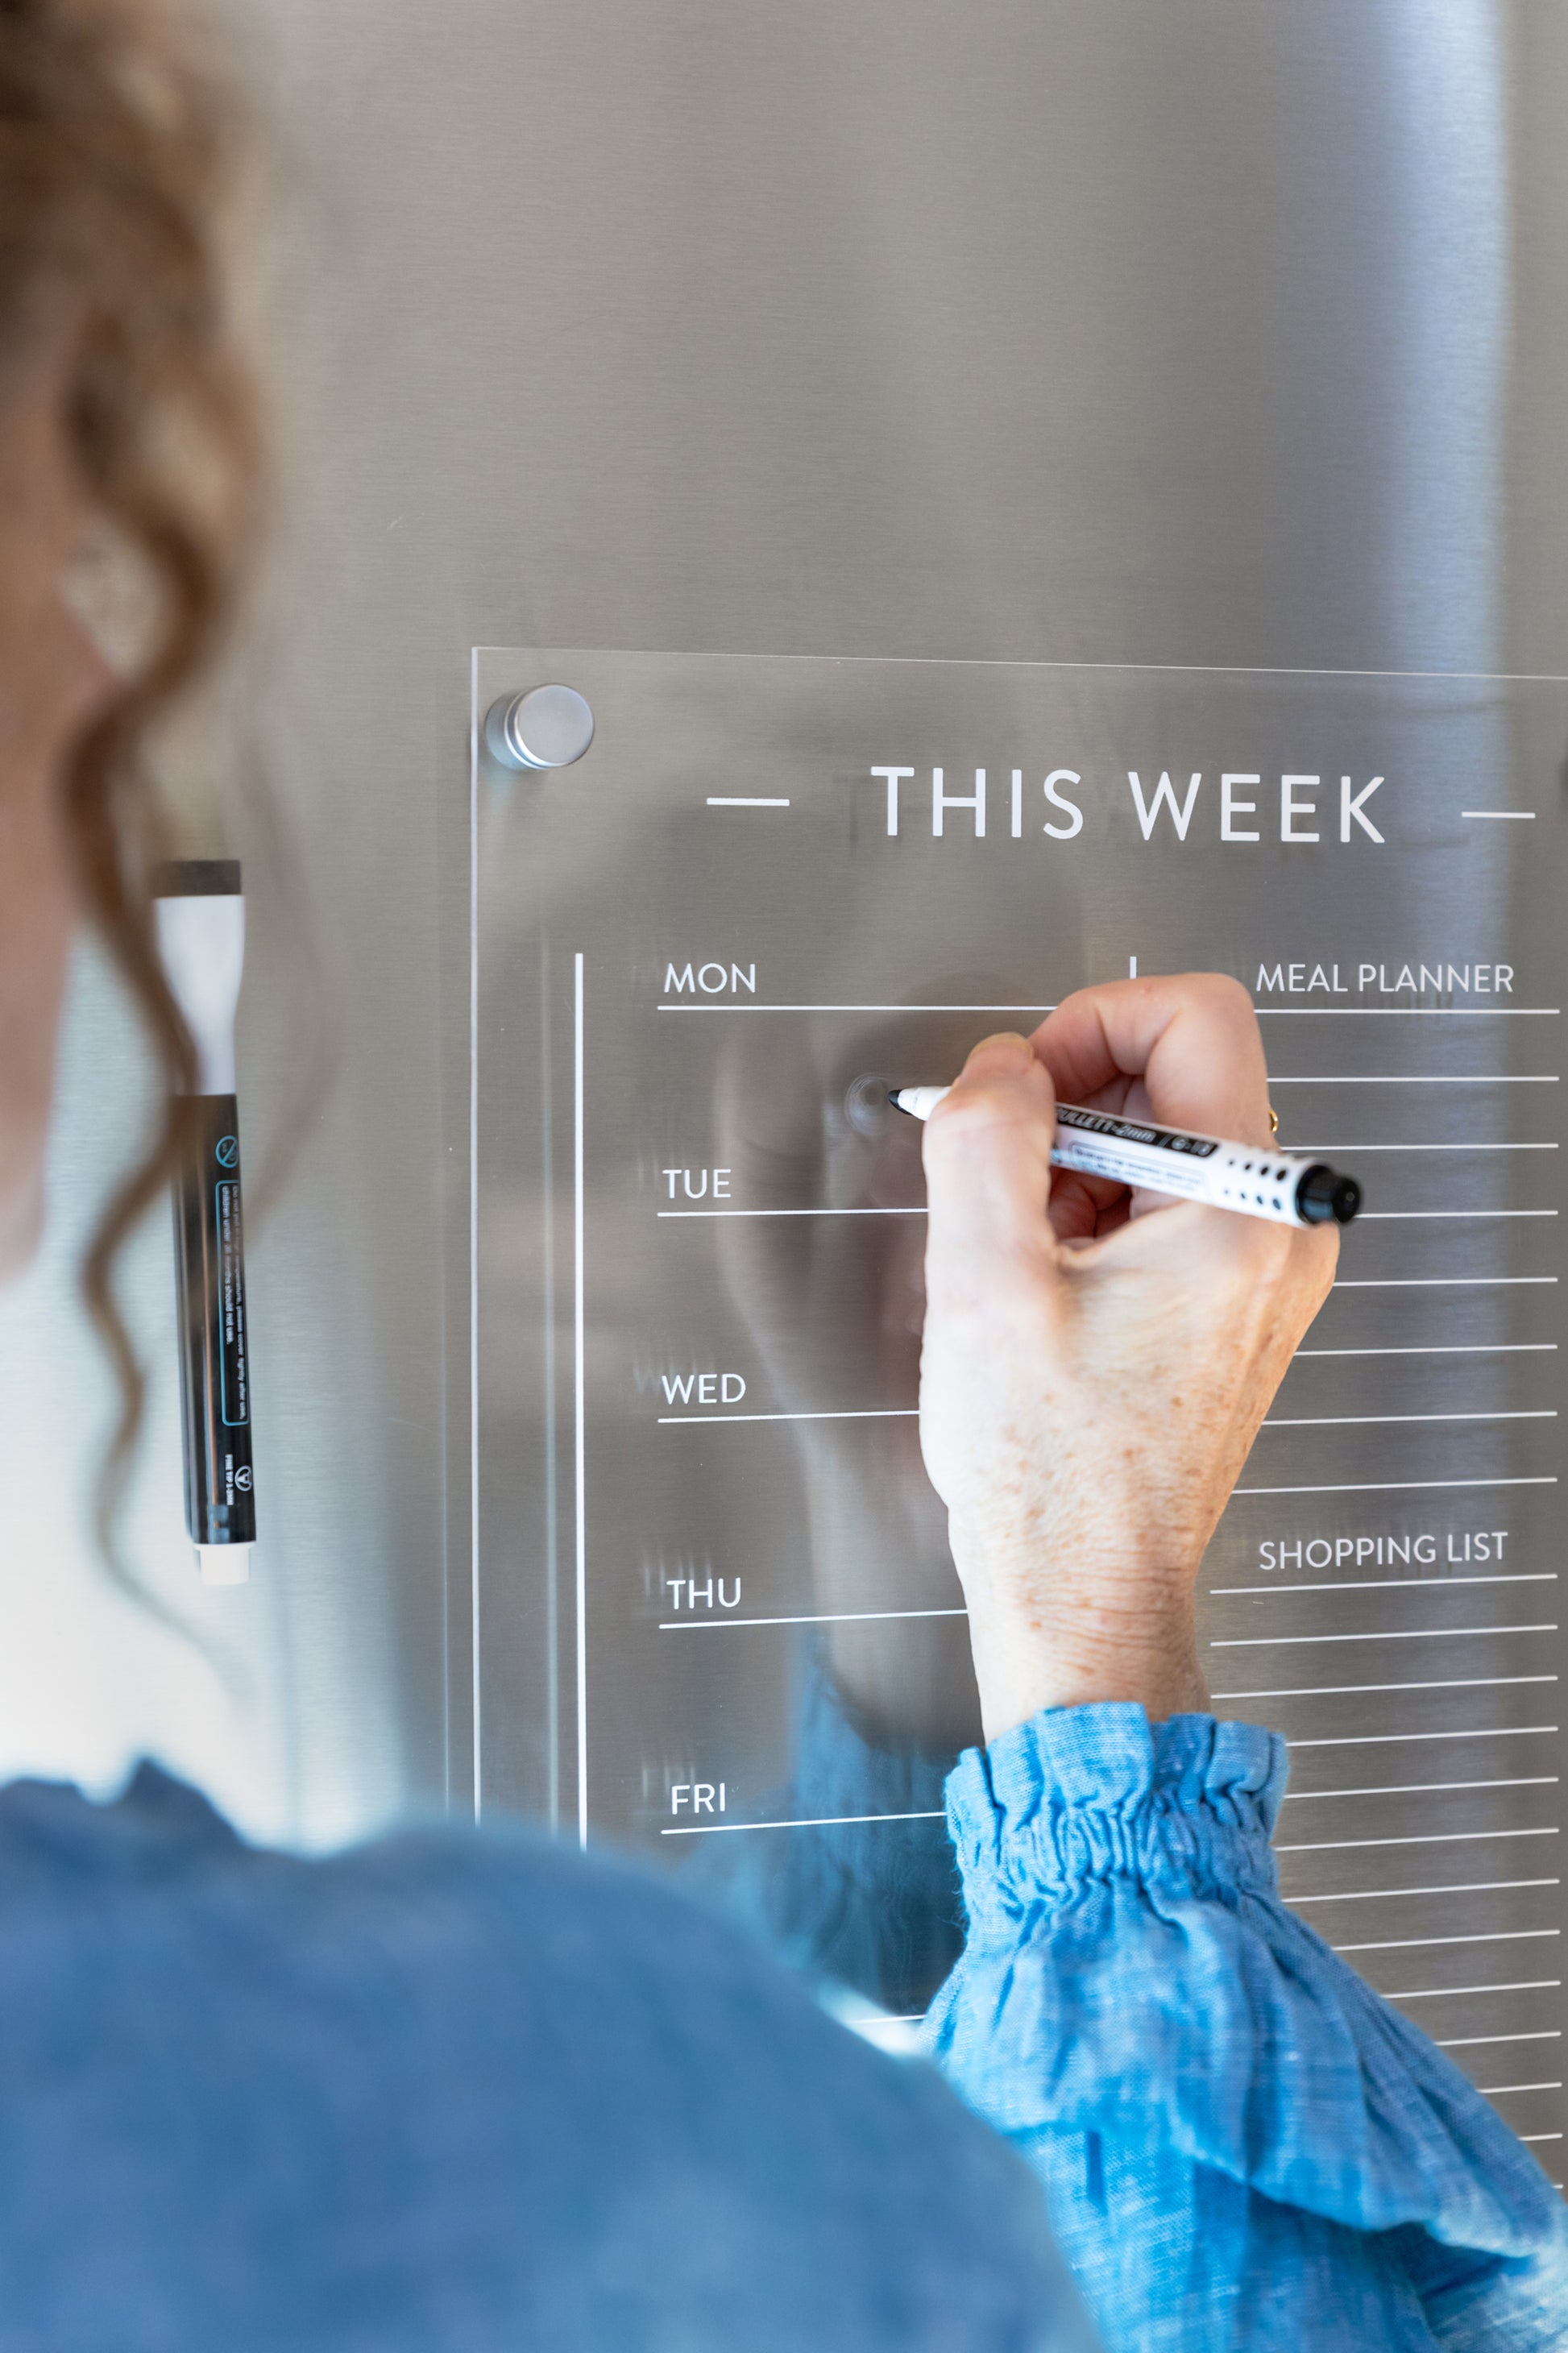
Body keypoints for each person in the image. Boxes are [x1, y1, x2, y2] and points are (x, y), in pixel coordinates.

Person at [0, 3, 1564, 2347]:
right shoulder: (420, 2080)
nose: (103, 849)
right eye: (64, 665)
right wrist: (1097, 1632)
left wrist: (909, 1589)